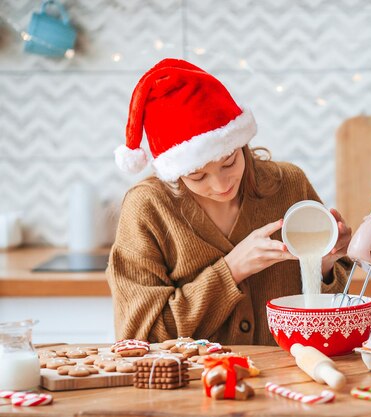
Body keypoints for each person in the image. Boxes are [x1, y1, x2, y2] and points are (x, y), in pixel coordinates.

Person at [107, 58, 351, 344]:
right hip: (191, 386)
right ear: (175, 173)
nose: (221, 185)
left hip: (287, 379)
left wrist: (324, 265)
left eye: (229, 161)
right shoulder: (148, 208)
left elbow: (330, 313)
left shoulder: (289, 184)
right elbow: (140, 337)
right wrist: (231, 270)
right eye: (197, 176)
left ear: (241, 144)